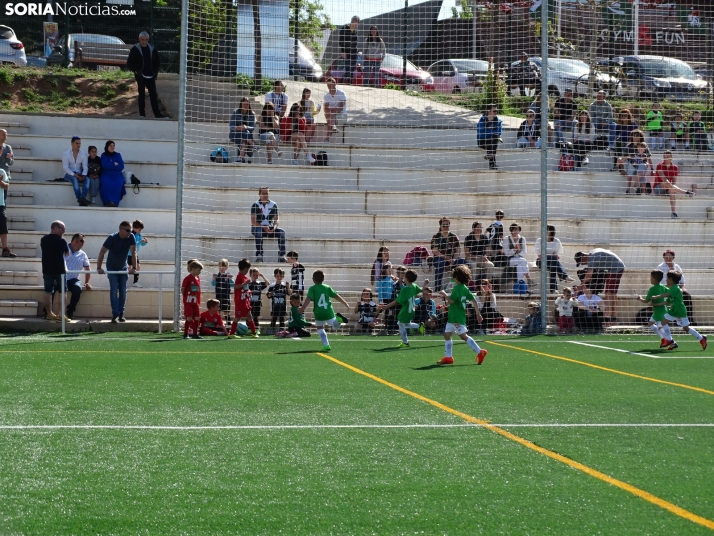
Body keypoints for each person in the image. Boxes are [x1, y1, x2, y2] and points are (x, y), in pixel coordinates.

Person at [437, 265, 488, 366]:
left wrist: (444, 294)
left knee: (463, 336)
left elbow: (451, 301)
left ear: (456, 277)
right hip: (453, 316)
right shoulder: (464, 288)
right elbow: (474, 301)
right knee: (447, 335)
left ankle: (480, 352)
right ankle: (448, 357)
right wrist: (478, 314)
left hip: (456, 317)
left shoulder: (457, 288)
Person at [652, 271, 707, 351]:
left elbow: (666, 295)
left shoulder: (675, 288)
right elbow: (667, 301)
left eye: (667, 278)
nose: (666, 280)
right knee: (662, 323)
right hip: (673, 311)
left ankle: (701, 338)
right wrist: (657, 305)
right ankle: (670, 341)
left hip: (680, 312)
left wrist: (656, 297)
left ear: (671, 279)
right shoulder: (671, 289)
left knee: (686, 328)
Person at [299, 269, 350, 352]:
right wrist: (345, 303)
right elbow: (336, 296)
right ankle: (339, 319)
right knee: (335, 326)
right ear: (323, 279)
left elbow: (308, 299)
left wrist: (302, 308)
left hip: (318, 312)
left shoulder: (312, 289)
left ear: (313, 279)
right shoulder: (327, 287)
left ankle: (326, 345)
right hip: (328, 311)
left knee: (319, 328)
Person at [96, 221, 137, 323]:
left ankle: (121, 313)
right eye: (127, 230)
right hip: (112, 267)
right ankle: (115, 314)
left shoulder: (131, 237)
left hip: (123, 267)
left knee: (123, 291)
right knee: (114, 290)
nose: (129, 232)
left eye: (130, 230)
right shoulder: (112, 238)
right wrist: (99, 267)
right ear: (121, 230)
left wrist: (134, 267)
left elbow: (133, 252)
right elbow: (102, 252)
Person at [574, 248, 625, 322]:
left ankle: (607, 318)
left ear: (583, 257)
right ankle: (614, 317)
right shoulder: (593, 252)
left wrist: (579, 287)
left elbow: (588, 276)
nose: (582, 264)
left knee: (608, 294)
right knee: (613, 293)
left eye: (581, 262)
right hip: (618, 267)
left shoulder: (592, 259)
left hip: (615, 269)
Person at [381, 269, 425, 348]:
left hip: (405, 311)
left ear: (406, 279)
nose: (403, 277)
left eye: (404, 276)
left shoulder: (404, 290)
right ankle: (419, 326)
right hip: (411, 310)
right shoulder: (414, 286)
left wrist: (385, 307)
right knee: (405, 324)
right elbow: (421, 290)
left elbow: (396, 301)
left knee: (401, 324)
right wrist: (425, 283)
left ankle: (405, 342)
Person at [125, 31, 164, 118]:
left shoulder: (152, 49)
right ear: (139, 39)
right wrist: (136, 71)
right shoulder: (135, 49)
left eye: (146, 40)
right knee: (141, 94)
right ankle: (142, 114)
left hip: (151, 75)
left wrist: (155, 72)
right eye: (142, 40)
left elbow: (157, 61)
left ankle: (157, 114)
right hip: (140, 75)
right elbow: (130, 63)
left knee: (153, 94)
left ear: (148, 40)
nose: (144, 42)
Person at [40, 220, 69, 321]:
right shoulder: (61, 241)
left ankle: (49, 313)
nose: (64, 231)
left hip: (47, 269)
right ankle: (61, 314)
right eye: (62, 229)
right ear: (55, 228)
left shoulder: (43, 239)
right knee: (62, 291)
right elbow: (67, 253)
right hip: (60, 269)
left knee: (48, 291)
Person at [250, 186, 286, 263]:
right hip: (258, 228)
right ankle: (259, 255)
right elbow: (253, 221)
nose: (265, 195)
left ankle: (281, 256)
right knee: (258, 230)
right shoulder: (255, 205)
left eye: (267, 193)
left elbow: (276, 219)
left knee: (282, 232)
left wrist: (274, 228)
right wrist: (263, 227)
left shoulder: (273, 204)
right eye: (263, 193)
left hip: (270, 228)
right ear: (259, 194)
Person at [654, 151, 695, 218]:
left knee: (672, 190)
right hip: (658, 188)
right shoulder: (659, 165)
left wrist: (670, 186)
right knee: (664, 183)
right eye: (664, 157)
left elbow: (674, 182)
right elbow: (664, 179)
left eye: (668, 157)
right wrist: (670, 185)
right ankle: (685, 192)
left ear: (671, 157)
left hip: (668, 188)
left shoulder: (675, 168)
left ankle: (673, 213)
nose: (666, 158)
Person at [657, 249, 694, 323]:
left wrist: (680, 287)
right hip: (666, 289)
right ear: (663, 258)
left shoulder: (677, 267)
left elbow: (682, 280)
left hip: (676, 289)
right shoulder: (660, 267)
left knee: (687, 296)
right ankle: (673, 319)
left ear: (673, 258)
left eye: (670, 257)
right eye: (666, 257)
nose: (668, 259)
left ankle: (688, 319)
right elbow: (660, 281)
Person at [534, 224, 574, 292]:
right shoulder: (539, 240)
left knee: (553, 266)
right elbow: (540, 256)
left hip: (552, 262)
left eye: (548, 230)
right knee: (554, 260)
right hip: (541, 261)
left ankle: (553, 290)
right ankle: (564, 277)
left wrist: (549, 255)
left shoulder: (556, 241)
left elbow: (557, 256)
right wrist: (551, 255)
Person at [430, 217, 466, 292]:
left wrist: (453, 260)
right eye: (444, 225)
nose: (446, 227)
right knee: (440, 263)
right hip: (440, 257)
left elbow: (458, 250)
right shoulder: (436, 237)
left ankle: (462, 288)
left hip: (452, 258)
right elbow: (435, 251)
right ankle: (437, 288)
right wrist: (446, 258)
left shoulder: (454, 236)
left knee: (464, 263)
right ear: (440, 226)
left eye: (447, 225)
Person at [61, 233, 92, 319]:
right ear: (75, 241)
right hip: (60, 277)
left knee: (77, 288)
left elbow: (87, 269)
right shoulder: (63, 249)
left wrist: (87, 282)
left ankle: (70, 310)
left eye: (83, 241)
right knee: (51, 288)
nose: (83, 243)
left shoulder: (83, 254)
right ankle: (47, 312)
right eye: (81, 241)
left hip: (73, 279)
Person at [228, 258, 259, 338]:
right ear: (245, 269)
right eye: (248, 269)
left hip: (245, 300)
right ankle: (231, 334)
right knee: (237, 317)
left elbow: (245, 288)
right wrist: (244, 283)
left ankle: (253, 332)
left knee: (249, 316)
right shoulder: (239, 276)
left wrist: (248, 292)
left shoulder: (244, 277)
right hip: (240, 301)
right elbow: (235, 287)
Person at [637, 269, 669, 347]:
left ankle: (668, 340)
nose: (650, 279)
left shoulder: (652, 289)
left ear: (654, 279)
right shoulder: (663, 287)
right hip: (663, 309)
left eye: (651, 277)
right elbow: (669, 293)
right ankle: (664, 339)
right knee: (650, 324)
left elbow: (646, 301)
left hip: (658, 310)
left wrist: (640, 298)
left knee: (659, 326)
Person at [503, 222, 535, 291]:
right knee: (523, 261)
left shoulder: (522, 239)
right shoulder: (506, 239)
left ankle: (519, 286)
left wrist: (519, 250)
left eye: (517, 229)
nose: (516, 231)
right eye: (514, 229)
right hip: (509, 259)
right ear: (511, 230)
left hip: (519, 259)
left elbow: (525, 252)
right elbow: (506, 253)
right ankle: (528, 279)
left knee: (520, 266)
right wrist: (514, 250)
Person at [61, 136, 89, 206]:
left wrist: (83, 175)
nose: (78, 145)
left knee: (88, 180)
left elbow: (85, 167)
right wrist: (73, 174)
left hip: (79, 173)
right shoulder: (66, 154)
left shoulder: (83, 154)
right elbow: (65, 167)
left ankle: (82, 197)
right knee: (75, 180)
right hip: (69, 174)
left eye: (79, 143)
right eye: (76, 143)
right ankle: (80, 199)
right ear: (72, 144)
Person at [229, 97, 257, 164]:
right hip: (235, 134)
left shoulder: (252, 114)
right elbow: (231, 126)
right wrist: (238, 128)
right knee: (243, 133)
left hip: (246, 136)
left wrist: (245, 127)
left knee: (244, 137)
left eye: (247, 104)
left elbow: (252, 127)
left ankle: (240, 158)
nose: (245, 106)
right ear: (241, 104)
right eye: (244, 104)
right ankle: (253, 145)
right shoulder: (235, 112)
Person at [99, 141, 126, 207]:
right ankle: (107, 202)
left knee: (119, 182)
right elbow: (104, 166)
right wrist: (114, 164)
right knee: (105, 183)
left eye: (113, 146)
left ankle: (115, 202)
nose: (112, 147)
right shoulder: (104, 155)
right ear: (107, 146)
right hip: (106, 174)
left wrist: (110, 166)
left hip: (117, 175)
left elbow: (121, 166)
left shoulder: (117, 155)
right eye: (110, 145)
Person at [181, 260, 203, 339]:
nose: (199, 272)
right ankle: (186, 333)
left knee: (197, 317)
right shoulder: (187, 278)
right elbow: (183, 289)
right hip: (189, 301)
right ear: (193, 269)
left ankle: (195, 333)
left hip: (195, 301)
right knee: (189, 318)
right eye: (198, 270)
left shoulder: (197, 278)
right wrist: (185, 297)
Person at [476, 104, 502, 170]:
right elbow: (481, 134)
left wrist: (490, 132)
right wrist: (491, 133)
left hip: (493, 141)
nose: (496, 112)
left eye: (497, 111)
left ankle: (490, 157)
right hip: (483, 141)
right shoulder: (482, 120)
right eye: (494, 111)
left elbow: (499, 132)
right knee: (493, 140)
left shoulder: (498, 121)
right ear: (489, 111)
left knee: (495, 138)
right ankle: (492, 164)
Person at [0, 129, 13, 257]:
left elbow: (11, 162)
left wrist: (9, 158)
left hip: (4, 176)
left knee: (2, 213)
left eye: (6, 134)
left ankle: (5, 249)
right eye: (3, 134)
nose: (5, 136)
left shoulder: (8, 147)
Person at [612, 109, 637, 173]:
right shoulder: (619, 125)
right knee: (618, 145)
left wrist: (629, 141)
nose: (623, 117)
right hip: (622, 142)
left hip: (632, 141)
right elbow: (616, 135)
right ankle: (617, 166)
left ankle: (620, 166)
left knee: (627, 148)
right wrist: (617, 139)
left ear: (628, 116)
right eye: (622, 116)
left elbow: (636, 135)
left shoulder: (633, 124)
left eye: (625, 115)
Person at [338, 16, 361, 85]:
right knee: (348, 69)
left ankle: (350, 84)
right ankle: (341, 82)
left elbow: (355, 42)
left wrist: (357, 51)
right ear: (352, 21)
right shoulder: (344, 28)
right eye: (354, 21)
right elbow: (341, 41)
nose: (356, 24)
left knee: (352, 69)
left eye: (357, 22)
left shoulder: (355, 31)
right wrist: (343, 52)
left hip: (354, 53)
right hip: (347, 52)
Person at [267, 268, 290, 333]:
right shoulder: (272, 285)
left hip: (282, 305)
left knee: (281, 318)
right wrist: (270, 294)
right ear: (275, 276)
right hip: (274, 306)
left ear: (283, 276)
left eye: (281, 276)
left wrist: (288, 287)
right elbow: (268, 296)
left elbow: (289, 293)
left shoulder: (284, 285)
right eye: (277, 276)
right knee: (274, 318)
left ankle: (281, 329)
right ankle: (272, 329)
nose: (279, 277)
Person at [128, 219, 147, 288]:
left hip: (135, 254)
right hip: (129, 254)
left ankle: (135, 282)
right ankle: (124, 281)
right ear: (134, 228)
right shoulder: (131, 234)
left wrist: (144, 242)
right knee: (128, 267)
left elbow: (142, 245)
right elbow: (133, 244)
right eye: (139, 230)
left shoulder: (139, 235)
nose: (140, 231)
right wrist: (140, 242)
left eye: (140, 230)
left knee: (137, 267)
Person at [0, 167, 13, 258]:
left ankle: (5, 250)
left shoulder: (1, 171)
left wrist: (0, 182)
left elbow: (6, 186)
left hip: (0, 204)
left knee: (3, 227)